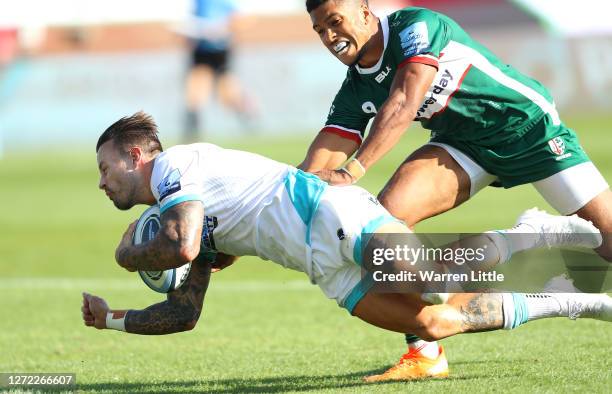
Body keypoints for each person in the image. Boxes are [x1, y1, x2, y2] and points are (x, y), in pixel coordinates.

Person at [83, 112, 610, 380]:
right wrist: (111, 319)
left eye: (106, 169)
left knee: (430, 281)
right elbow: (184, 313)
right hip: (321, 267)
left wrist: (126, 255)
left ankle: (534, 232)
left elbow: (180, 246)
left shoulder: (177, 167)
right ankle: (575, 297)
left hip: (326, 212)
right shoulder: (182, 210)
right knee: (434, 323)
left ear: (136, 156)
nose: (103, 183)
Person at [298, 0, 612, 380]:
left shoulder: (416, 26)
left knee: (608, 244)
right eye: (320, 30)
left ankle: (537, 238)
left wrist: (354, 169)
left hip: (525, 128)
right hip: (462, 144)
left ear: (365, 12)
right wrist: (269, 206)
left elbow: (405, 98)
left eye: (335, 22)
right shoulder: (355, 87)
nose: (330, 36)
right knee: (384, 224)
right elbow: (318, 161)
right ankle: (424, 353)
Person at [183, 0, 255, 141]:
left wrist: (224, 29)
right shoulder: (199, 2)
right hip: (201, 50)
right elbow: (192, 20)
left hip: (220, 51)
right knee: (194, 94)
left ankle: (249, 117)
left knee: (229, 95)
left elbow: (242, 20)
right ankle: (192, 133)